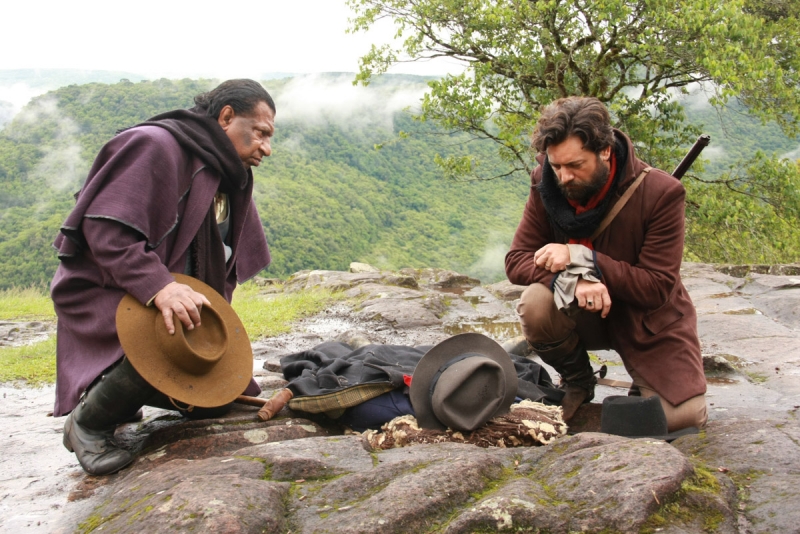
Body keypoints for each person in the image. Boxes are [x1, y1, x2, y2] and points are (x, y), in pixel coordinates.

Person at [51, 79, 275, 475]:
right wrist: (161, 288)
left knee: (218, 393)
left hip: (160, 295)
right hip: (106, 287)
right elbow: (105, 232)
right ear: (226, 117)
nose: (266, 148)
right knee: (165, 342)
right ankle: (88, 422)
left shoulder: (227, 171)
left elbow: (220, 259)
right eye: (260, 133)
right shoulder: (154, 145)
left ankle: (119, 395)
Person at [505, 96, 707, 432]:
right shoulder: (545, 182)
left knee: (682, 418)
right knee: (536, 304)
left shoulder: (662, 192)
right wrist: (576, 278)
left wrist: (583, 258)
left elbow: (656, 287)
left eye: (575, 165)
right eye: (556, 166)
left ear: (605, 151)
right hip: (585, 310)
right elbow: (517, 260)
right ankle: (579, 380)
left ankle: (643, 386)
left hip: (645, 318)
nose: (564, 177)